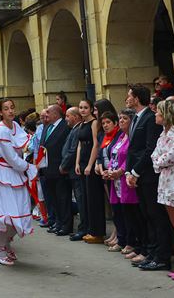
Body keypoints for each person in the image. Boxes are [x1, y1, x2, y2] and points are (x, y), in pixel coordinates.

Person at [0, 99, 37, 266]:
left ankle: (6, 244)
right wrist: (28, 166)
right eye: (6, 109)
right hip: (1, 174)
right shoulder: (1, 130)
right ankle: (1, 249)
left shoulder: (15, 126)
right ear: (0, 112)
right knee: (6, 214)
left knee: (18, 210)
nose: (10, 111)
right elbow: (11, 158)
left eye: (12, 108)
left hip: (13, 174)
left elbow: (23, 146)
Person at [125, 84, 170, 271]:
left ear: (136, 98)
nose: (127, 98)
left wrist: (135, 172)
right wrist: (129, 171)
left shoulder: (150, 119)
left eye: (129, 96)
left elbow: (149, 149)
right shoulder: (136, 118)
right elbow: (132, 149)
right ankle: (152, 252)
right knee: (147, 215)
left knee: (156, 215)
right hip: (138, 175)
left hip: (149, 176)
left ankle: (162, 256)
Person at [151, 100, 174, 279]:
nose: (155, 114)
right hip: (164, 182)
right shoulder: (162, 135)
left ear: (166, 114)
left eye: (158, 111)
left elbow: (171, 157)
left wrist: (159, 161)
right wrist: (159, 161)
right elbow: (155, 156)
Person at [107, 109, 145, 259]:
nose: (121, 121)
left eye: (124, 119)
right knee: (121, 212)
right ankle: (127, 241)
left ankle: (135, 243)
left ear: (132, 121)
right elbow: (114, 155)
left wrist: (120, 171)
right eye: (120, 118)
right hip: (115, 180)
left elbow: (129, 158)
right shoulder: (121, 136)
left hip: (126, 179)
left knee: (133, 214)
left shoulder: (132, 138)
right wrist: (109, 169)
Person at [39, 104, 71, 236]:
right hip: (47, 169)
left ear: (56, 114)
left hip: (59, 169)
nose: (46, 114)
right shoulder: (47, 127)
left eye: (48, 112)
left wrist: (64, 165)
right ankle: (58, 222)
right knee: (53, 199)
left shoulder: (65, 127)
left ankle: (66, 225)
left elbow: (66, 148)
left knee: (63, 198)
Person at [95, 111, 123, 250]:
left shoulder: (118, 136)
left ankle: (120, 236)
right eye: (103, 123)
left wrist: (109, 171)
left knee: (119, 208)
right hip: (105, 174)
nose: (105, 125)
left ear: (115, 123)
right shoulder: (104, 137)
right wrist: (100, 170)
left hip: (115, 174)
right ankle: (116, 234)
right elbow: (100, 155)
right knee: (113, 207)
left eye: (108, 122)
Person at [74, 99, 98, 242]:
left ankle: (91, 229)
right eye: (81, 107)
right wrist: (77, 163)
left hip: (90, 160)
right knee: (83, 197)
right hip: (81, 161)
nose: (83, 110)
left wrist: (90, 164)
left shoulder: (94, 123)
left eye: (85, 108)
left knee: (90, 197)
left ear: (90, 109)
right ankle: (85, 227)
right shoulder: (82, 124)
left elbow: (96, 145)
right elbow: (79, 145)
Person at [59, 107, 82, 237]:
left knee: (80, 199)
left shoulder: (78, 129)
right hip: (71, 170)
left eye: (68, 116)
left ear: (75, 117)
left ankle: (82, 228)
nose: (66, 119)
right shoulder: (73, 129)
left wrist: (64, 165)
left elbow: (73, 150)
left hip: (74, 169)